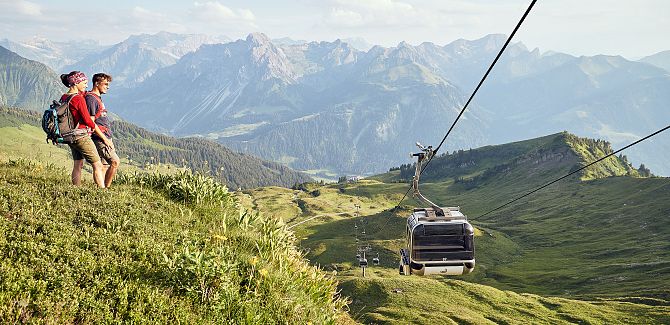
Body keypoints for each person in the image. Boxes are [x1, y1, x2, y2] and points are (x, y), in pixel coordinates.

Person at [59, 71, 113, 188]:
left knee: (78, 164)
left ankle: (76, 189)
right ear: (76, 82)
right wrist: (104, 138)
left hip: (70, 135)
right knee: (98, 164)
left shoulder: (65, 97)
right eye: (84, 82)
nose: (86, 85)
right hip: (81, 136)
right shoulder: (78, 99)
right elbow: (89, 121)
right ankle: (102, 192)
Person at [85, 73, 120, 188]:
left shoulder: (97, 98)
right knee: (115, 162)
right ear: (96, 83)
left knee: (104, 165)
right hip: (100, 137)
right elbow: (91, 122)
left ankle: (101, 189)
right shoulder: (91, 99)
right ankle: (107, 188)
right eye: (105, 84)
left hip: (105, 135)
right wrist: (104, 139)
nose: (107, 87)